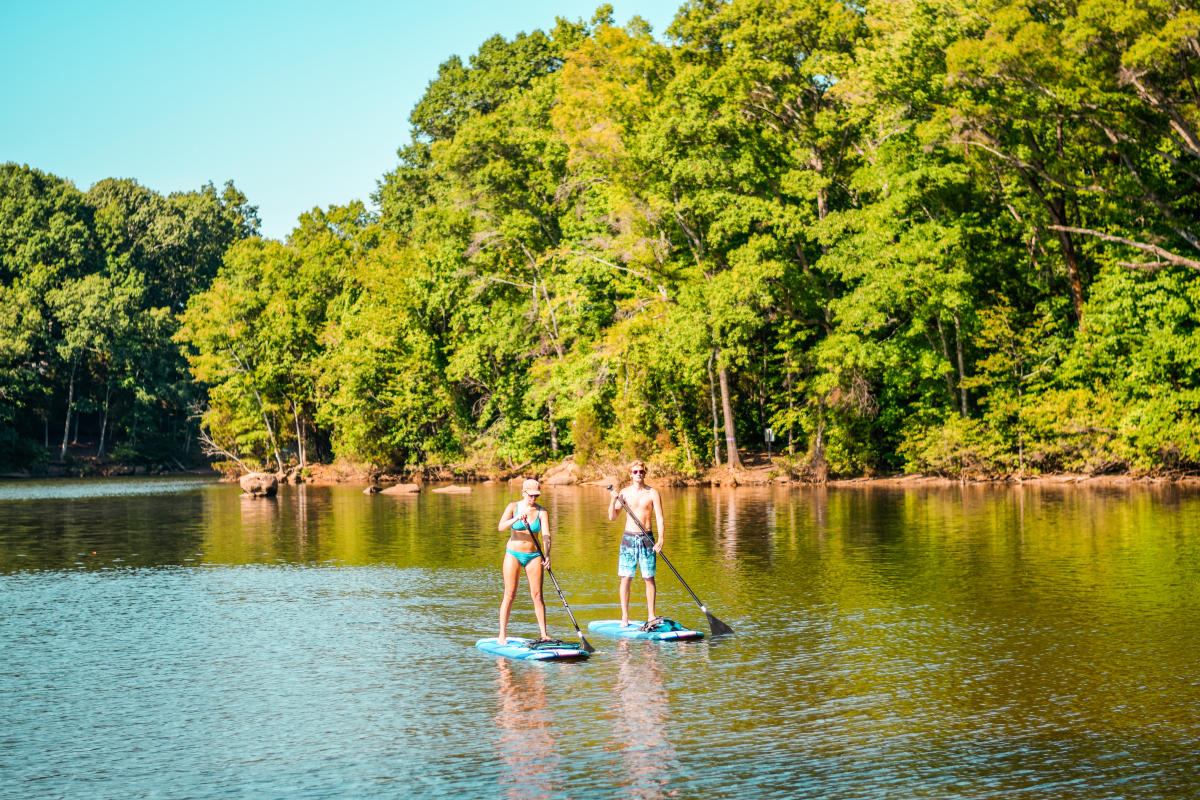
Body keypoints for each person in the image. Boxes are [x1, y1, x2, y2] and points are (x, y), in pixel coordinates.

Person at [607, 459, 664, 627]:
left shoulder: (653, 493)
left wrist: (661, 539)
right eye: (635, 472)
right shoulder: (624, 493)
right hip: (629, 539)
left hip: (647, 538)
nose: (638, 474)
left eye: (641, 471)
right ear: (630, 474)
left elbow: (660, 518)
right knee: (626, 578)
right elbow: (612, 517)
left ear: (644, 473)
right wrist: (613, 500)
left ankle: (651, 617)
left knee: (649, 578)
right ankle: (624, 617)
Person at [496, 478, 551, 645]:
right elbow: (501, 527)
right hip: (513, 554)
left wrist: (547, 555)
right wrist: (516, 519)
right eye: (531, 496)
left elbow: (546, 536)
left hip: (534, 556)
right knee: (510, 594)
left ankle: (544, 634)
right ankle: (502, 635)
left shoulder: (542, 512)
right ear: (523, 493)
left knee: (537, 595)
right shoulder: (513, 507)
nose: (533, 499)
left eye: (536, 496)